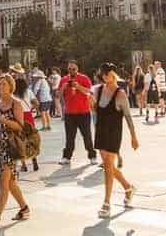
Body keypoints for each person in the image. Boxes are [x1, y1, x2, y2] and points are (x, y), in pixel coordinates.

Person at [92, 63, 138, 218]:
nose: (105, 77)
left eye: (108, 74)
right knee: (108, 166)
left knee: (107, 167)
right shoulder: (98, 90)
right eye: (103, 74)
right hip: (100, 131)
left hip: (113, 133)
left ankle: (106, 203)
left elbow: (128, 116)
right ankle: (128, 187)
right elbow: (96, 110)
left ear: (113, 74)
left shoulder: (120, 94)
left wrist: (133, 136)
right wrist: (90, 106)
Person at [0, 74, 30, 228]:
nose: (0, 87)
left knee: (4, 181)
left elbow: (20, 126)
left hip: (11, 147)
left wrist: (3, 120)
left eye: (4, 84)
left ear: (11, 86)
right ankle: (24, 208)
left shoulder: (16, 103)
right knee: (11, 182)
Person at [57, 61, 95, 166]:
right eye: (70, 69)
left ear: (77, 69)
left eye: (74, 69)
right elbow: (58, 96)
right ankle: (66, 157)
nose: (72, 71)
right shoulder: (64, 79)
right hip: (69, 113)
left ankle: (92, 156)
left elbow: (89, 92)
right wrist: (63, 88)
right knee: (70, 136)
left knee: (87, 135)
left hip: (84, 112)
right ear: (67, 69)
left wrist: (78, 87)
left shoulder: (84, 78)